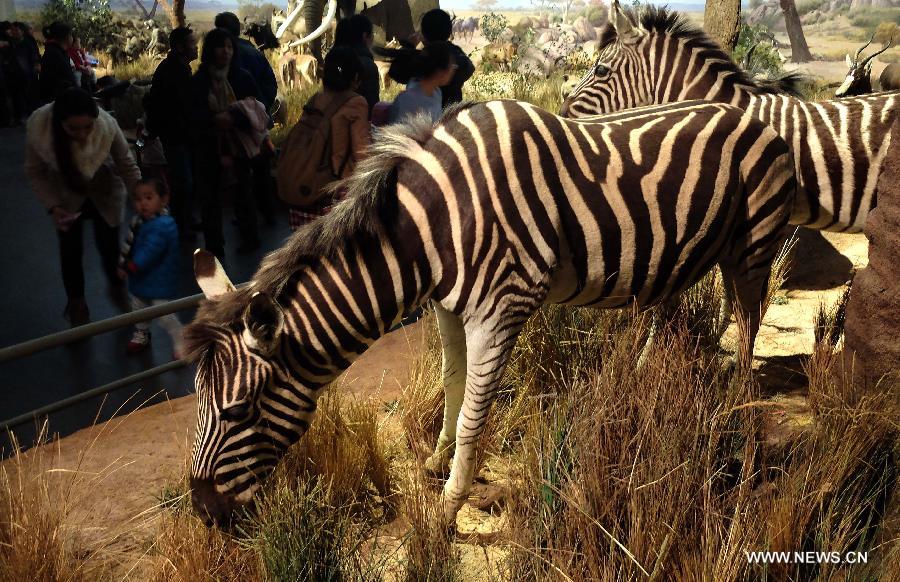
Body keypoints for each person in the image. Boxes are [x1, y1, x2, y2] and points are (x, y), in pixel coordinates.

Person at [25, 87, 141, 326]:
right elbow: (35, 172)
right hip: (66, 196)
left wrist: (142, 198)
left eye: (88, 127)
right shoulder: (40, 128)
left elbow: (126, 165)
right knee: (70, 253)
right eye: (73, 129)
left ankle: (119, 290)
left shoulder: (107, 125)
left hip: (105, 192)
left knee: (110, 251)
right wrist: (53, 206)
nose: (82, 134)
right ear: (59, 122)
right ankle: (77, 305)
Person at [190, 27, 262, 259]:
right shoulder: (199, 80)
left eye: (230, 47)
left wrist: (233, 118)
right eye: (221, 46)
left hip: (239, 146)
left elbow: (258, 108)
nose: (226, 52)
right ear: (210, 50)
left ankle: (250, 239)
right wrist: (213, 121)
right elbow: (188, 113)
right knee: (210, 199)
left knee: (244, 194)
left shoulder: (242, 77)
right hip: (208, 149)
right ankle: (215, 247)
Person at [284, 46, 369, 231]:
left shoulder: (315, 98)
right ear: (355, 77)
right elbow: (361, 153)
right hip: (332, 195)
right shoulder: (356, 102)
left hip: (303, 189)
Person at [213, 12, 279, 226]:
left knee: (241, 176)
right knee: (261, 171)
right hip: (256, 124)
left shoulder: (218, 61)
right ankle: (268, 214)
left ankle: (247, 222)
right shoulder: (253, 52)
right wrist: (262, 110)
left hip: (234, 126)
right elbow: (271, 83)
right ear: (239, 29)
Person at [118, 178, 184, 357]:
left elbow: (150, 251)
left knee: (164, 314)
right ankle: (141, 333)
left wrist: (131, 265)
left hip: (159, 278)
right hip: (142, 277)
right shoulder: (138, 222)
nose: (143, 203)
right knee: (138, 307)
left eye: (148, 198)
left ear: (163, 200)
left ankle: (181, 338)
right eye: (138, 199)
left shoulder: (164, 225)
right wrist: (124, 263)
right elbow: (129, 244)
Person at [146, 26, 198, 234]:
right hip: (175, 135)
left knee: (185, 179)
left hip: (182, 134)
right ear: (180, 47)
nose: (196, 48)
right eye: (192, 44)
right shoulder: (171, 71)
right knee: (182, 181)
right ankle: (180, 224)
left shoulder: (179, 68)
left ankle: (185, 219)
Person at [383, 42, 456, 124]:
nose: (453, 70)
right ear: (440, 72)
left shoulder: (437, 93)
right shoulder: (407, 100)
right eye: (452, 66)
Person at [420, 9, 474, 108]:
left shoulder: (422, 55)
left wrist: (409, 46)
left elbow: (399, 73)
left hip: (422, 114)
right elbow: (470, 68)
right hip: (451, 115)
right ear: (449, 32)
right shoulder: (455, 53)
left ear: (423, 33)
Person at [334, 14, 380, 115]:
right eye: (372, 34)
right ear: (365, 36)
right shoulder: (368, 65)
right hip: (357, 126)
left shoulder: (334, 62)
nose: (373, 38)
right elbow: (371, 108)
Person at [39, 22, 77, 104]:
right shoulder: (55, 54)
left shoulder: (56, 51)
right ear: (67, 37)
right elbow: (67, 79)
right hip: (59, 102)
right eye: (71, 35)